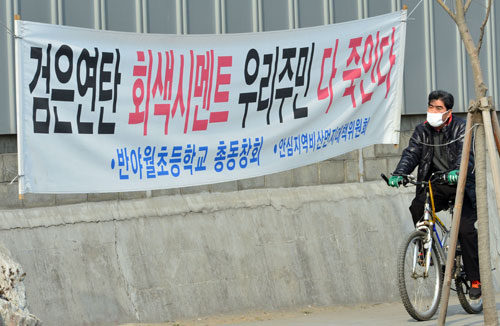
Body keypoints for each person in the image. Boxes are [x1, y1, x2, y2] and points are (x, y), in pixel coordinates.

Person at [388, 90, 480, 300]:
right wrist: (400, 173)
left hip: (461, 185)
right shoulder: (422, 130)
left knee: (466, 231)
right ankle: (424, 247)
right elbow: (411, 154)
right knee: (417, 206)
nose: (433, 111)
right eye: (431, 107)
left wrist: (459, 172)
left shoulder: (461, 127)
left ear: (448, 112)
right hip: (435, 184)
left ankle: (475, 278)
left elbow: (467, 154)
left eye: (438, 108)